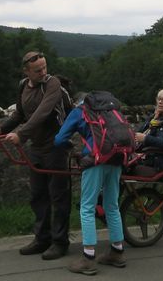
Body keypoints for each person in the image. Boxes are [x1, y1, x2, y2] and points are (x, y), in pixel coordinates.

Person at [0, 51, 71, 260]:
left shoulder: (53, 84)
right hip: (37, 147)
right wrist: (2, 128)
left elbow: (43, 112)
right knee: (38, 195)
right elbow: (20, 113)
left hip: (57, 146)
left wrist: (21, 134)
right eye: (37, 70)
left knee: (58, 196)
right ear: (26, 71)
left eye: (44, 67)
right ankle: (42, 239)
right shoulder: (24, 85)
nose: (43, 72)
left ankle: (60, 242)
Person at [54, 92, 126, 275]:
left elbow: (59, 139)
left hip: (95, 160)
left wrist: (73, 148)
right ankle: (117, 252)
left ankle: (88, 258)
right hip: (117, 158)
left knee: (87, 207)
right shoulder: (110, 110)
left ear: (75, 101)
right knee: (112, 205)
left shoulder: (79, 111)